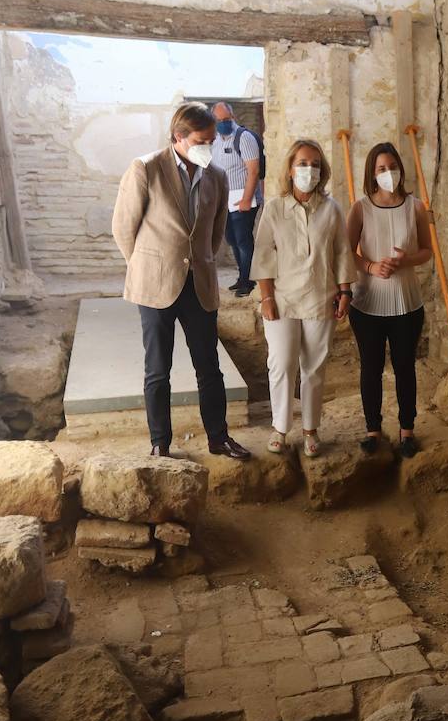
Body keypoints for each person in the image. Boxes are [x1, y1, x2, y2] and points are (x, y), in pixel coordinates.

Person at [112, 101, 252, 461]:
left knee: (209, 367)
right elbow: (123, 228)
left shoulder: (217, 177)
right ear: (179, 137)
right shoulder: (146, 169)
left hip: (199, 285)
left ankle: (218, 438)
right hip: (155, 285)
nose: (211, 146)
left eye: (211, 140)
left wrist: (199, 261)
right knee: (158, 370)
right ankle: (161, 443)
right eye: (203, 140)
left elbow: (216, 232)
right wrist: (146, 266)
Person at [250, 139, 357, 457]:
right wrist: (266, 297)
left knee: (314, 367)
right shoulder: (275, 208)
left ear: (321, 171)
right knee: (281, 364)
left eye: (314, 164)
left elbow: (341, 253)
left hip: (320, 299)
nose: (308, 170)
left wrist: (345, 291)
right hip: (281, 300)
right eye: (302, 163)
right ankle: (280, 428)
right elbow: (263, 254)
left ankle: (311, 429)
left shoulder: (331, 208)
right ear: (290, 168)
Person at [347, 141, 433, 457]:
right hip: (367, 303)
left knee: (404, 367)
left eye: (393, 167)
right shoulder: (360, 208)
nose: (388, 173)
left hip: (407, 303)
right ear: (372, 172)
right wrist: (370, 265)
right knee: (370, 367)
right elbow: (345, 252)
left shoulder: (416, 207)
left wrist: (406, 260)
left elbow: (427, 250)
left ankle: (407, 431)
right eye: (382, 169)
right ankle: (373, 429)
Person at [211, 101, 264, 297]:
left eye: (227, 119)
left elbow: (254, 171)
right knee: (232, 240)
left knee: (243, 241)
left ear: (233, 117)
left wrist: (245, 200)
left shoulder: (244, 138)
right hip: (225, 202)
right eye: (219, 120)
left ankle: (249, 281)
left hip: (244, 201)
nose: (223, 123)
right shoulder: (215, 141)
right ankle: (242, 277)